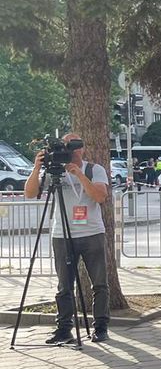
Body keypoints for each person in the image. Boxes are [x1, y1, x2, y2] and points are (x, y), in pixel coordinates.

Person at [23, 133, 111, 344]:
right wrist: (37, 168)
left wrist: (79, 175)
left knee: (99, 283)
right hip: (61, 234)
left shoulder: (94, 169)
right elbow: (29, 193)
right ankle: (64, 329)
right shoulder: (54, 171)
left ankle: (100, 327)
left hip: (91, 233)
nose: (70, 150)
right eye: (66, 145)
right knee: (64, 286)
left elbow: (100, 197)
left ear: (81, 148)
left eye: (74, 145)